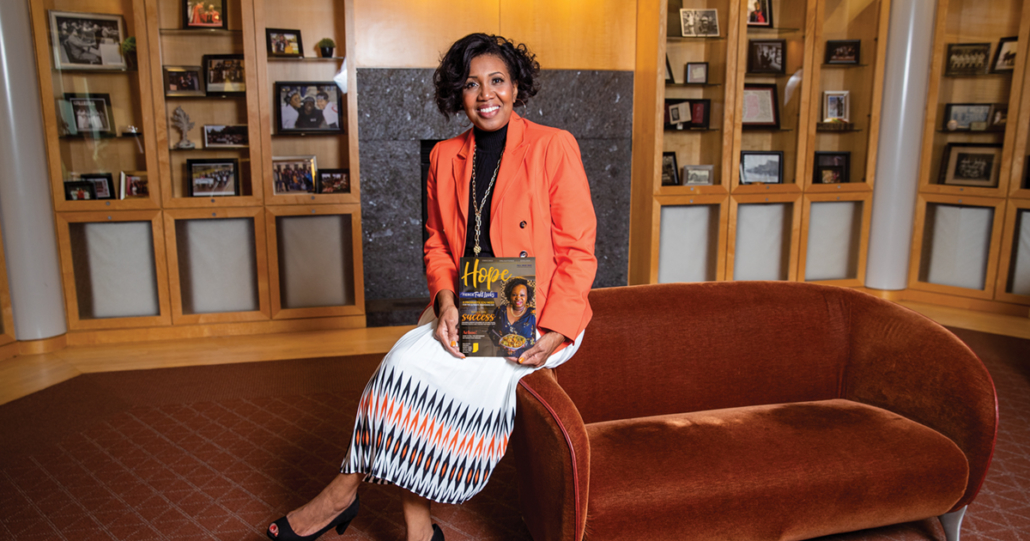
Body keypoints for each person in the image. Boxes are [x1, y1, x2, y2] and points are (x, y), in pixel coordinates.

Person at [265, 33, 597, 541]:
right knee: (397, 371)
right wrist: (445, 301)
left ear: (516, 88)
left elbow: (578, 251)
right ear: (456, 94)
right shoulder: (444, 156)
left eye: (497, 81)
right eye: (471, 84)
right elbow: (438, 245)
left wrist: (555, 329)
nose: (485, 94)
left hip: (529, 316)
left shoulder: (554, 146)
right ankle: (416, 529)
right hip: (467, 303)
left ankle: (341, 496)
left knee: (423, 391)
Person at [490, 278, 536, 357]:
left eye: (522, 295)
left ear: (527, 296)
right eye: (514, 295)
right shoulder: (500, 310)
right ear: (509, 295)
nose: (518, 298)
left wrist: (523, 344)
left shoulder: (533, 314)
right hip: (502, 357)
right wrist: (500, 342)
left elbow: (538, 338)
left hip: (525, 358)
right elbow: (491, 330)